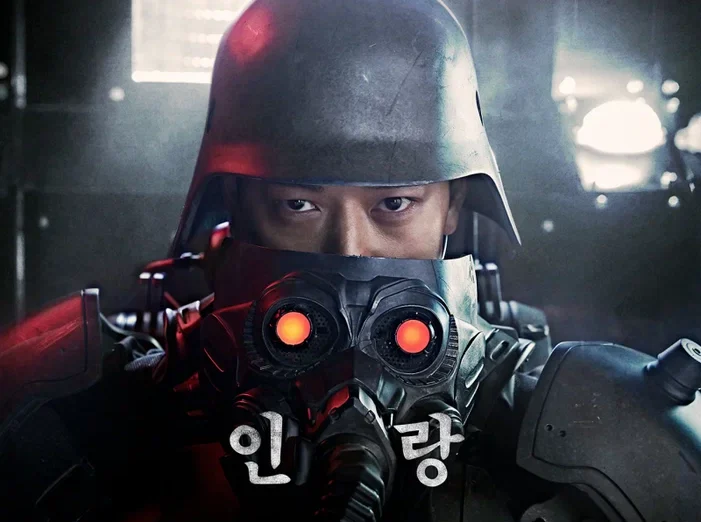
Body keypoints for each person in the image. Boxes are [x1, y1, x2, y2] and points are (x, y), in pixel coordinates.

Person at [2, 1, 700, 521]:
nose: (350, 252)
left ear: (452, 206)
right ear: (235, 204)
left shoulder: (603, 422)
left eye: (393, 204)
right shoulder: (78, 401)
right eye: (299, 204)